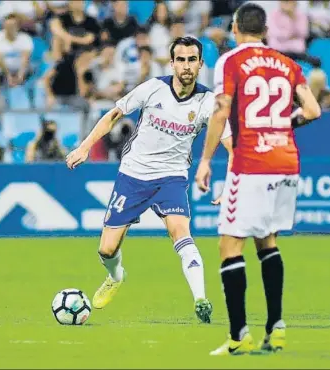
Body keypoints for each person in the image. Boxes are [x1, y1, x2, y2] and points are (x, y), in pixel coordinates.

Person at [66, 36, 233, 324]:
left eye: (192, 60)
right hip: (133, 174)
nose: (186, 66)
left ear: (200, 64)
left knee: (181, 233)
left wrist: (231, 184)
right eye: (180, 59)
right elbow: (114, 114)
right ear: (172, 63)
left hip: (172, 178)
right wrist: (84, 146)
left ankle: (201, 299)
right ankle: (116, 275)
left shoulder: (207, 102)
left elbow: (233, 147)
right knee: (107, 249)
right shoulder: (154, 88)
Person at [195, 3, 321, 355]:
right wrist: (283, 125)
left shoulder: (230, 61)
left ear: (235, 28)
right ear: (266, 31)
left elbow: (221, 110)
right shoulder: (288, 64)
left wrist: (205, 160)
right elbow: (313, 110)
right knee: (268, 242)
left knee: (229, 246)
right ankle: (276, 328)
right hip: (286, 160)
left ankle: (238, 336)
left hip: (251, 162)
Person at [0, 13, 34, 88]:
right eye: (7, 25)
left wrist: (20, 74)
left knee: (31, 67)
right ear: (3, 25)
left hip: (18, 69)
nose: (10, 28)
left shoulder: (25, 38)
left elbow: (25, 58)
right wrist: (8, 75)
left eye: (13, 26)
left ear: (18, 26)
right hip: (0, 69)